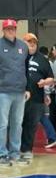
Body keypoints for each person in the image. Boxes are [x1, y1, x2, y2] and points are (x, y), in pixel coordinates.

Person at [19, 32, 54, 164]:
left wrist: (45, 84)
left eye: (33, 43)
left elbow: (51, 77)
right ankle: (13, 149)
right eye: (29, 42)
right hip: (18, 96)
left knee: (31, 125)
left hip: (36, 98)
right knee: (16, 124)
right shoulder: (18, 56)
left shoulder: (42, 59)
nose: (31, 45)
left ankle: (26, 150)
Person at [0, 18, 29, 166]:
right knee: (3, 124)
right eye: (8, 29)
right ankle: (2, 154)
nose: (11, 31)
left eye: (13, 28)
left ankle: (15, 153)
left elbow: (26, 69)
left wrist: (27, 88)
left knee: (17, 123)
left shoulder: (23, 47)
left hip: (19, 91)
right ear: (3, 30)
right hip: (3, 91)